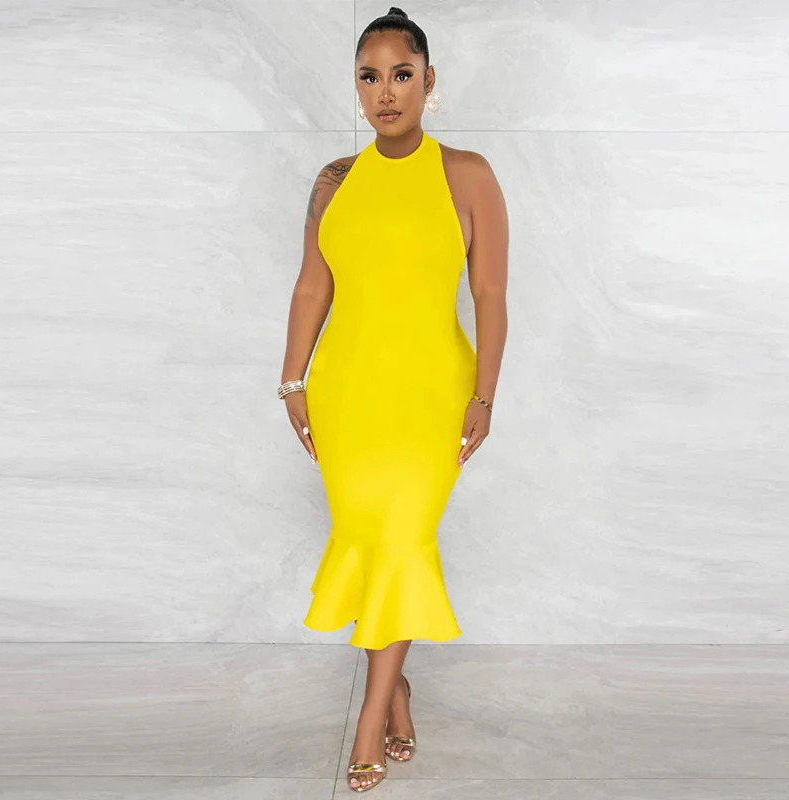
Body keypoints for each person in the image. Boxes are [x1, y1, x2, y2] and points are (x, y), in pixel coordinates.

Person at [278, 6, 508, 792]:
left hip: (433, 395)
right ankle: (396, 688)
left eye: (402, 75)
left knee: (405, 540)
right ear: (356, 87)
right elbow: (312, 286)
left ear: (428, 81)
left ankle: (371, 717)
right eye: (369, 77)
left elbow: (491, 294)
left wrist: (485, 397)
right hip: (347, 394)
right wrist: (292, 379)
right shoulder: (334, 181)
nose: (385, 92)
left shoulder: (468, 174)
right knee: (370, 538)